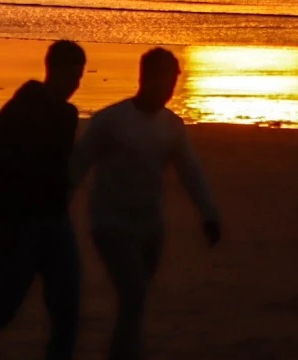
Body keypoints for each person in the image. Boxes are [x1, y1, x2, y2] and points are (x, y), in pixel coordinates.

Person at [70, 47, 221, 360]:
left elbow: (190, 172)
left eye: (174, 83)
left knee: (134, 301)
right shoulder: (110, 120)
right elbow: (78, 164)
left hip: (151, 228)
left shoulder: (172, 126)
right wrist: (55, 205)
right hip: (110, 223)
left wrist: (209, 214)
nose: (170, 90)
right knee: (134, 293)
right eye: (166, 82)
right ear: (146, 78)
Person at [0, 38, 87, 360]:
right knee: (5, 305)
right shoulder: (19, 110)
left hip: (54, 219)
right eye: (71, 76)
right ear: (52, 71)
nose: (75, 84)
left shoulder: (68, 115)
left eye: (79, 77)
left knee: (66, 307)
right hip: (19, 224)